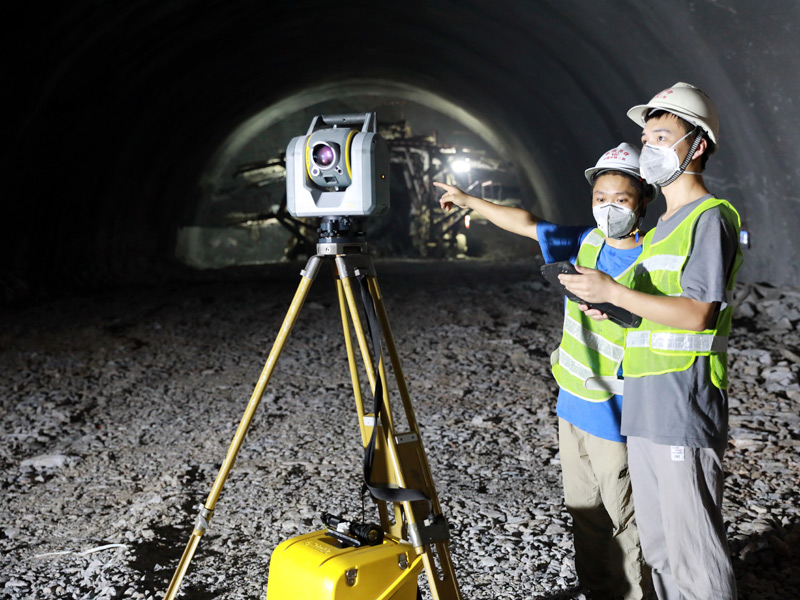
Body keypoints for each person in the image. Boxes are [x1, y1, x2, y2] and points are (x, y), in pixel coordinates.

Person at [435, 143, 656, 600]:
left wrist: (619, 306)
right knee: (585, 513)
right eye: (601, 198)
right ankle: (598, 592)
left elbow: (664, 325)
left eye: (621, 199)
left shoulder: (653, 258)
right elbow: (526, 222)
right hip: (574, 405)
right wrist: (469, 200)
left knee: (627, 520)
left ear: (644, 201)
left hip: (619, 415)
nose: (609, 207)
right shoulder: (586, 242)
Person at [559, 83, 743, 600]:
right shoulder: (661, 229)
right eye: (647, 137)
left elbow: (698, 314)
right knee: (660, 551)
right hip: (643, 404)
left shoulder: (708, 218)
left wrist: (615, 289)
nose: (651, 147)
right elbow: (654, 318)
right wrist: (612, 308)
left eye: (663, 135)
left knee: (694, 556)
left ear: (697, 145)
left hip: (682, 404)